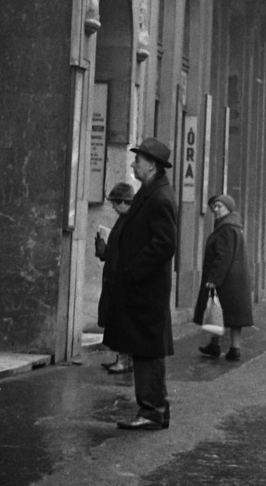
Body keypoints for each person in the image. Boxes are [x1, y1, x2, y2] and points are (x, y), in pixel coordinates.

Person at [103, 137, 179, 430]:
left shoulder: (159, 196)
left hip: (145, 289)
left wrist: (134, 271)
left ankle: (152, 411)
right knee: (145, 349)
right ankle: (154, 409)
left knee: (147, 351)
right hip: (143, 289)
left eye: (138, 160)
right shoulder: (151, 192)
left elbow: (165, 244)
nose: (133, 164)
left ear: (152, 165)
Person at [194, 193, 254, 361]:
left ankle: (223, 346)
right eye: (214, 207)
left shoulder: (226, 228)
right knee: (231, 314)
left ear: (228, 208)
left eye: (220, 206)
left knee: (218, 309)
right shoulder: (233, 225)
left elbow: (223, 257)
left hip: (226, 279)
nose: (216, 210)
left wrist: (214, 280)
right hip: (235, 280)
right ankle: (227, 347)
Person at [94, 181, 135, 374]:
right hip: (115, 277)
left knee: (122, 322)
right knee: (118, 321)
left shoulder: (130, 221)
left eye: (115, 203)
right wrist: (104, 252)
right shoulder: (124, 219)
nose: (113, 206)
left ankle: (125, 360)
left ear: (125, 202)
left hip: (122, 279)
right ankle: (123, 358)